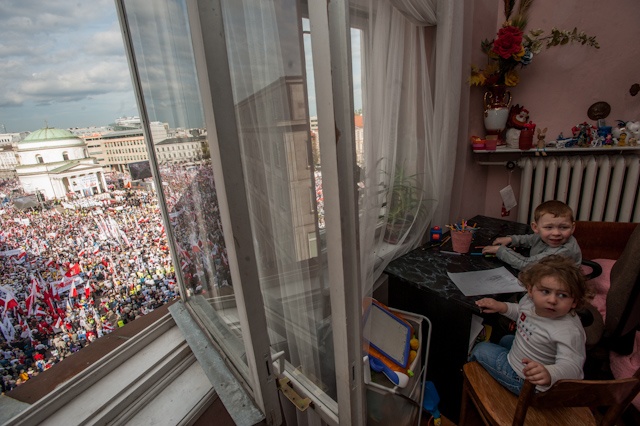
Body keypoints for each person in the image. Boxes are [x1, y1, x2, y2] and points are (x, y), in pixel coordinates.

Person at [469, 255, 593, 395]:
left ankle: (472, 380)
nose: (552, 300)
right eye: (545, 291)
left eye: (562, 295)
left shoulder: (569, 331)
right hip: (526, 358)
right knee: (506, 340)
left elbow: (573, 368)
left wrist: (549, 374)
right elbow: (522, 312)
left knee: (481, 349)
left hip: (529, 384)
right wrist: (502, 307)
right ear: (530, 290)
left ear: (575, 301)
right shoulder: (530, 302)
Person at [482, 200, 581, 270]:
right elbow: (531, 239)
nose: (556, 233)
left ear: (572, 228)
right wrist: (512, 239)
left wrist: (501, 251)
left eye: (563, 227)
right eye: (549, 227)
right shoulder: (545, 237)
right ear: (535, 228)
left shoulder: (562, 252)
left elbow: (526, 265)